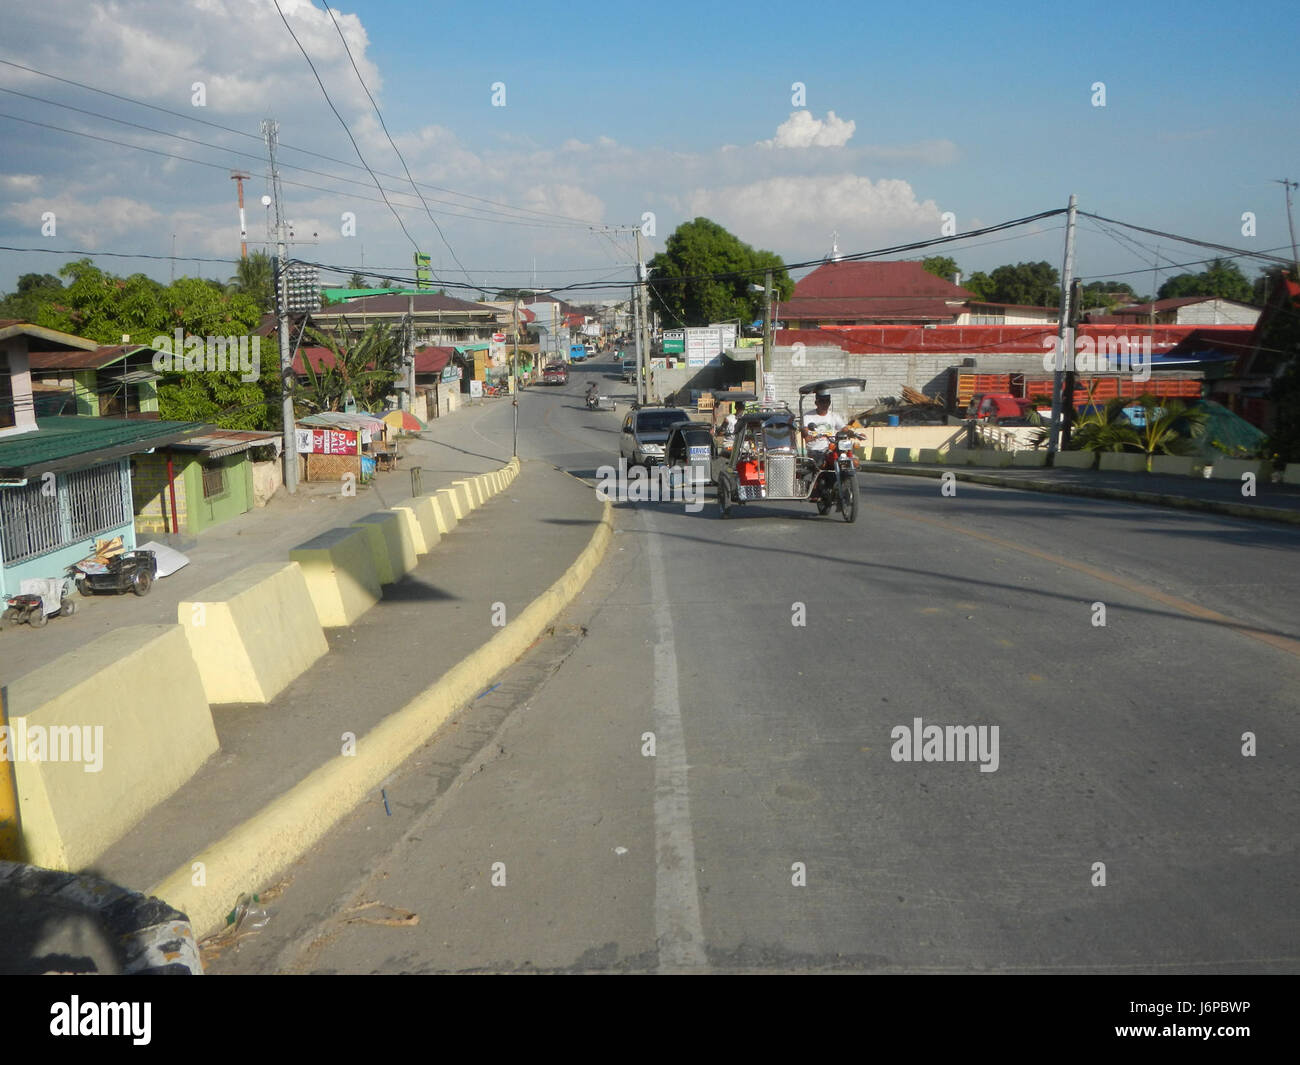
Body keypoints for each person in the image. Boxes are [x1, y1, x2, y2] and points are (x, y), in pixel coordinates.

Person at [803, 390, 846, 457]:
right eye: (822, 401)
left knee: (854, 462)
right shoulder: (807, 416)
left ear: (829, 402)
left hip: (832, 448)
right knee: (821, 464)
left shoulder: (834, 416)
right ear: (816, 403)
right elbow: (805, 431)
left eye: (827, 401)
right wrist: (807, 435)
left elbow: (844, 429)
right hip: (816, 450)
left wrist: (854, 434)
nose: (825, 404)